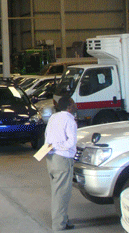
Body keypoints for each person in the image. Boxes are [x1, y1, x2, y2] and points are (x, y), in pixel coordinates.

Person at [45, 95, 78, 231]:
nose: (75, 105)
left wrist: (53, 146)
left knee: (57, 191)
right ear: (69, 107)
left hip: (51, 158)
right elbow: (71, 142)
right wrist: (59, 146)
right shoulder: (70, 120)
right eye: (73, 103)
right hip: (62, 160)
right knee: (62, 194)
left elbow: (47, 136)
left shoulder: (53, 117)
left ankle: (63, 219)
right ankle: (59, 225)